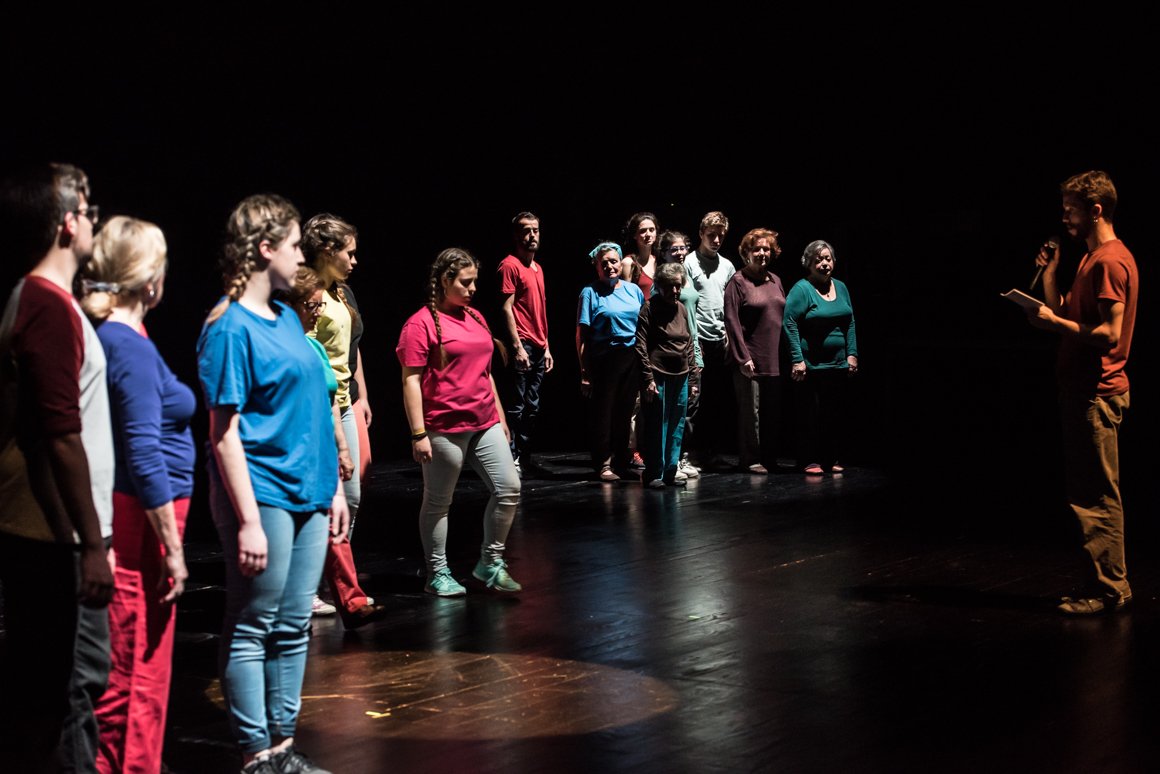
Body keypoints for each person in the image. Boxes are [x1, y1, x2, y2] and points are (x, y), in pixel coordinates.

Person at [197, 193, 347, 774]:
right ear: (264, 249)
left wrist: (334, 487)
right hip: (263, 494)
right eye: (291, 245)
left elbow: (313, 407)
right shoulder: (229, 327)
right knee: (252, 623)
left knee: (293, 625)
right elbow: (224, 433)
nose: (300, 256)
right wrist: (249, 521)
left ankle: (282, 747)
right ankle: (255, 752)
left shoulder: (286, 318)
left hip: (310, 492)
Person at [0, 162, 115, 773]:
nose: (95, 220)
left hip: (52, 529)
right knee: (69, 688)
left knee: (61, 688)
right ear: (68, 223)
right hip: (53, 534)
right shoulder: (45, 304)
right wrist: (91, 544)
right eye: (89, 210)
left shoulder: (49, 301)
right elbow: (61, 435)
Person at [79, 216, 194, 774]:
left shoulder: (120, 336)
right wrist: (172, 548)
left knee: (135, 663)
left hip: (137, 515)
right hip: (144, 523)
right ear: (150, 279)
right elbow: (144, 455)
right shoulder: (127, 346)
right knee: (136, 669)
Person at [1025, 170, 1138, 616]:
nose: (1064, 217)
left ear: (1096, 210)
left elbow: (1110, 333)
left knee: (1098, 497)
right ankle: (1103, 581)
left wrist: (1056, 323)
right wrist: (1052, 275)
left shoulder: (1110, 261)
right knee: (1087, 494)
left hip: (1097, 394)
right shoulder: (1091, 259)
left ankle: (1111, 589)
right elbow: (1065, 312)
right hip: (1080, 391)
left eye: (1070, 209)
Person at [396, 247, 523, 596]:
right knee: (439, 502)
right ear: (444, 280)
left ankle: (490, 562)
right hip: (443, 427)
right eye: (465, 282)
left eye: (474, 282)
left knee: (509, 488)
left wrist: (499, 416)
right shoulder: (420, 324)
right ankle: (436, 573)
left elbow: (486, 373)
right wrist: (418, 433)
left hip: (484, 421)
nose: (472, 289)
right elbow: (410, 381)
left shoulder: (476, 317)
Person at [300, 213, 386, 629]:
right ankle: (313, 587)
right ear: (326, 251)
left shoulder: (343, 292)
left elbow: (353, 346)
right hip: (321, 403)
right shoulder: (306, 294)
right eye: (348, 253)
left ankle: (332, 579)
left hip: (347, 400)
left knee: (351, 495)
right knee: (332, 495)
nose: (354, 261)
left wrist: (363, 393)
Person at [782, 240, 859, 476]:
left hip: (838, 363)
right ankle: (809, 459)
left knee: (833, 414)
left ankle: (831, 458)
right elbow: (789, 323)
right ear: (808, 264)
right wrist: (797, 359)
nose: (824, 264)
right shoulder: (802, 289)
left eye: (827, 259)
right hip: (811, 365)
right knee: (810, 415)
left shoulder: (841, 287)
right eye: (818, 260)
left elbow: (850, 322)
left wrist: (852, 354)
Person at [576, 241, 645, 481]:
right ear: (597, 266)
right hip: (604, 360)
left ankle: (621, 462)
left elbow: (643, 326)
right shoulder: (589, 292)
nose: (610, 266)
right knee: (603, 413)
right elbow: (582, 335)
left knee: (625, 412)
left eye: (613, 261)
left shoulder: (633, 290)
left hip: (631, 359)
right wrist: (585, 372)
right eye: (603, 263)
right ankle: (603, 463)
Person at [724, 228, 788, 475]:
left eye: (766, 249)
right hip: (749, 358)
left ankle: (769, 457)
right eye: (757, 249)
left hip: (774, 358)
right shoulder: (738, 282)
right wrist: (743, 357)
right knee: (751, 413)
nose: (762, 253)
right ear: (746, 252)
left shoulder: (776, 280)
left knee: (772, 411)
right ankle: (750, 459)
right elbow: (731, 320)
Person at [497, 211, 553, 477]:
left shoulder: (538, 268)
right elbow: (506, 308)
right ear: (516, 235)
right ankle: (510, 458)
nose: (532, 235)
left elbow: (539, 309)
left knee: (533, 406)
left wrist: (547, 346)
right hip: (524, 344)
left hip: (539, 345)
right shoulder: (509, 265)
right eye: (526, 230)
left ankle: (524, 456)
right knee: (517, 405)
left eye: (536, 230)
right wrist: (517, 346)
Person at [635, 261, 697, 487]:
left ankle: (671, 470)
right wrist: (648, 378)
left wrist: (693, 379)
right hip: (658, 373)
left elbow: (688, 343)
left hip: (681, 374)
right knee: (657, 425)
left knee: (677, 424)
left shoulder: (681, 309)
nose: (675, 290)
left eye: (678, 286)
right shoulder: (649, 308)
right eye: (670, 286)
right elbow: (640, 345)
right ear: (660, 286)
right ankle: (654, 473)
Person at [683, 211, 737, 471]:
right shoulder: (689, 262)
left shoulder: (727, 266)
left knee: (716, 400)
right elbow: (685, 301)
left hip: (719, 338)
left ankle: (711, 453)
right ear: (701, 234)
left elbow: (730, 303)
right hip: (698, 338)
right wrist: (692, 339)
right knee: (694, 400)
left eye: (720, 236)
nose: (716, 240)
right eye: (711, 235)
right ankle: (688, 454)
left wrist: (728, 333)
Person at [658, 230, 703, 480]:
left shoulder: (688, 277)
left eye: (683, 247)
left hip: (691, 348)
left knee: (689, 409)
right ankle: (667, 462)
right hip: (670, 352)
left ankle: (681, 457)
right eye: (673, 249)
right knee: (671, 411)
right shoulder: (664, 281)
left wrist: (697, 351)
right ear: (664, 252)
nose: (679, 252)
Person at [620, 212, 661, 470]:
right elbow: (624, 298)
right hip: (637, 333)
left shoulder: (660, 260)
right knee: (635, 398)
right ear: (635, 235)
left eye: (651, 229)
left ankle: (651, 447)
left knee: (653, 394)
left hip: (659, 334)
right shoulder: (629, 263)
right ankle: (631, 449)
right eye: (642, 230)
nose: (647, 234)